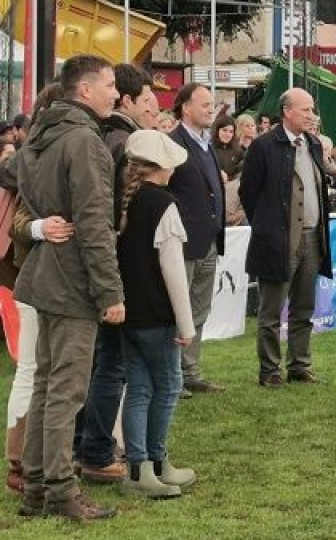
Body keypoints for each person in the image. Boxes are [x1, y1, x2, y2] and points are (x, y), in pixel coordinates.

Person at [15, 54, 124, 521]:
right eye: (111, 85)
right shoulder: (83, 140)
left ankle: (37, 489)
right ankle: (59, 490)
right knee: (65, 391)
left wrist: (36, 225)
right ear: (85, 91)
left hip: (44, 275)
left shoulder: (41, 135)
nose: (115, 94)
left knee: (46, 385)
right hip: (72, 280)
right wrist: (111, 292)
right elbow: (95, 223)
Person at [77, 62, 156, 485]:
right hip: (110, 266)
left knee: (91, 366)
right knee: (111, 365)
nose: (153, 110)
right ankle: (97, 450)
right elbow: (110, 215)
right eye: (147, 101)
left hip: (95, 263)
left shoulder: (102, 137)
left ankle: (82, 446)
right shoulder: (122, 143)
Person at [116, 130, 197, 499]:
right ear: (162, 168)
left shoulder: (125, 202)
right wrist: (186, 323)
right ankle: (155, 460)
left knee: (139, 389)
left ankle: (140, 467)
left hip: (128, 312)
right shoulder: (163, 204)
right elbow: (174, 271)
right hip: (157, 315)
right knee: (166, 388)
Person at [240, 88, 333, 388]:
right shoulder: (264, 145)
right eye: (305, 110)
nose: (311, 115)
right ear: (286, 112)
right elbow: (248, 193)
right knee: (270, 312)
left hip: (312, 237)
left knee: (304, 309)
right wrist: (267, 228)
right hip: (277, 241)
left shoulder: (313, 144)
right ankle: (269, 371)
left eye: (312, 110)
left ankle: (299, 365)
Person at [2, 82, 67, 496]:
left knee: (37, 367)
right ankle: (19, 459)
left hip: (36, 271)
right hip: (31, 270)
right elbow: (20, 219)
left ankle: (26, 458)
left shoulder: (29, 154)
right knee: (32, 367)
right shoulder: (33, 156)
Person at [167, 83, 226, 396]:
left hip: (209, 241)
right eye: (204, 104)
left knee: (198, 310)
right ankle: (172, 374)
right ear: (185, 107)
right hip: (183, 243)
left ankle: (190, 371)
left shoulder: (206, 144)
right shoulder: (172, 143)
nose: (211, 110)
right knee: (179, 309)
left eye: (211, 104)